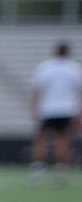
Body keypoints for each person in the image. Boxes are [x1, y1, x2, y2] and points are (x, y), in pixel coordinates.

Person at [29, 42, 81, 185]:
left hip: (48, 109)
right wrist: (78, 110)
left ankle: (37, 171)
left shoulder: (46, 67)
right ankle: (60, 172)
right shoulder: (73, 68)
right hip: (67, 109)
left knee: (41, 140)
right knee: (63, 140)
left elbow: (37, 89)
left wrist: (34, 108)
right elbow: (78, 90)